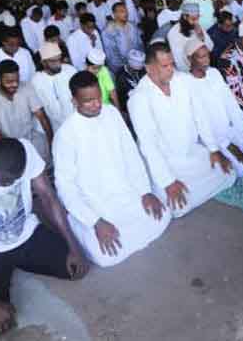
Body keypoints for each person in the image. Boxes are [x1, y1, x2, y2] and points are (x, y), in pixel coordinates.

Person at [0, 137, 89, 337]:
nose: (9, 184)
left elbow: (48, 197)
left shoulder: (25, 150)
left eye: (14, 179)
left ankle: (11, 268)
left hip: (26, 235)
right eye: (5, 180)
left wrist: (73, 247)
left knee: (75, 269)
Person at [54, 71, 170, 267]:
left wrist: (145, 191)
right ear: (74, 101)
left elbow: (131, 154)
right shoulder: (65, 134)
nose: (97, 104)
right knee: (106, 256)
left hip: (125, 194)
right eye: (88, 101)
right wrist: (96, 222)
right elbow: (65, 186)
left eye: (98, 97)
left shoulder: (112, 113)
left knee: (164, 214)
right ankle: (80, 226)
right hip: (97, 206)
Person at [128, 42, 233, 218]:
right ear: (149, 68)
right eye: (164, 66)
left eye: (172, 64)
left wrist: (214, 149)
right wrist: (168, 182)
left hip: (191, 153)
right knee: (177, 207)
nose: (170, 70)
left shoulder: (184, 81)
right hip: (166, 163)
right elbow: (148, 145)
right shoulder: (139, 98)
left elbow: (201, 117)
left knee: (229, 173)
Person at [187, 39, 243, 178]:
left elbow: (231, 105)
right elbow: (200, 120)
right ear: (189, 59)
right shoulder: (186, 83)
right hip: (213, 137)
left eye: (207, 55)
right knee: (241, 169)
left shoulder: (214, 73)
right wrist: (227, 145)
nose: (206, 60)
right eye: (201, 57)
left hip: (231, 127)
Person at [0, 60, 54, 164]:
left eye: (17, 80)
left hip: (28, 139)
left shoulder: (26, 87)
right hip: (3, 148)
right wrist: (15, 158)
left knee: (45, 149)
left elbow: (42, 117)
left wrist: (51, 143)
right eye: (9, 82)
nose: (14, 84)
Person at [30, 42, 76, 133]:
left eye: (59, 59)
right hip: (54, 128)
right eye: (53, 61)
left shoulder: (70, 71)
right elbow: (40, 110)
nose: (58, 64)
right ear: (43, 62)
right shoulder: (36, 81)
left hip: (75, 123)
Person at [167, 3, 214, 72]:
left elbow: (211, 47)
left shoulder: (197, 27)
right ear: (184, 17)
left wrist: (202, 37)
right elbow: (180, 64)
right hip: (186, 73)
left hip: (202, 68)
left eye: (197, 18)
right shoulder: (173, 33)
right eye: (193, 19)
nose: (196, 22)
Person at [101, 2, 143, 74]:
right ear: (114, 14)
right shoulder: (108, 31)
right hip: (120, 68)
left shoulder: (132, 26)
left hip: (136, 65)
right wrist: (126, 67)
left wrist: (139, 61)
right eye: (121, 11)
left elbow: (139, 45)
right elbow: (111, 55)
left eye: (126, 10)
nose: (126, 13)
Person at [115, 49, 146, 113]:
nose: (136, 72)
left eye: (138, 70)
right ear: (129, 65)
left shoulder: (142, 71)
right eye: (134, 70)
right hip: (130, 108)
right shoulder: (121, 76)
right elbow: (125, 96)